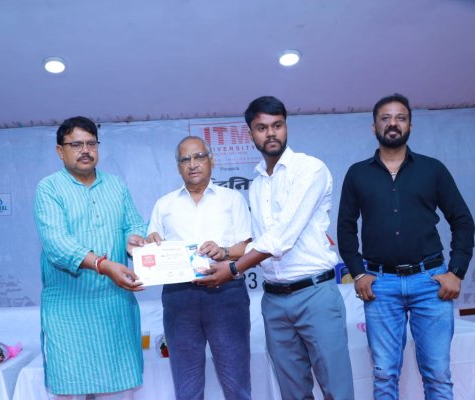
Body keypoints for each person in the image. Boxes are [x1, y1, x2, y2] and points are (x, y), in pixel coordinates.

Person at [199, 96, 355, 400]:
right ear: (250, 134)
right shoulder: (258, 183)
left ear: (286, 127)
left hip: (315, 295)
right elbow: (261, 240)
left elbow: (281, 237)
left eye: (277, 125)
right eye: (262, 127)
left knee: (337, 390)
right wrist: (225, 251)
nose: (271, 133)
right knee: (292, 393)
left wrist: (233, 268)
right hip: (274, 300)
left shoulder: (309, 169)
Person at [337, 93, 474, 399]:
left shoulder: (432, 169)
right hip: (380, 285)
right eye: (385, 118)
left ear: (410, 125)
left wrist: (456, 272)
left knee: (438, 375)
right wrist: (358, 273)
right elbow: (345, 228)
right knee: (384, 375)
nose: (393, 123)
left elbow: (463, 221)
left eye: (400, 118)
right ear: (374, 127)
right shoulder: (358, 173)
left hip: (431, 283)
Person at [33, 116, 146, 400]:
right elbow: (56, 244)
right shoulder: (49, 188)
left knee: (118, 389)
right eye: (76, 145)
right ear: (60, 151)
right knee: (69, 388)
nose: (85, 150)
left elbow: (133, 224)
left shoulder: (116, 185)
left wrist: (133, 241)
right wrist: (102, 265)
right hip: (68, 311)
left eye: (91, 143)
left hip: (114, 308)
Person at [146, 136, 252, 400]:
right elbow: (152, 249)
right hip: (179, 298)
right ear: (178, 167)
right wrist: (151, 245)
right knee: (187, 387)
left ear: (211, 160)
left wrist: (223, 251)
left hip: (226, 293)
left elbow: (248, 247)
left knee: (236, 384)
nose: (192, 164)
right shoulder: (164, 204)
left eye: (199, 157)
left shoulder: (232, 199)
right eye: (185, 159)